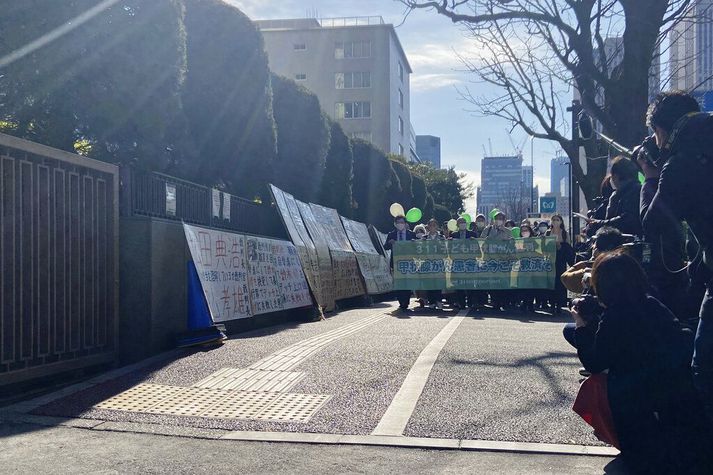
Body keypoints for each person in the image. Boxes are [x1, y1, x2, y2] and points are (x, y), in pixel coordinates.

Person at [572, 251, 711, 473]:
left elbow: (594, 362)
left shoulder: (614, 317)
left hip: (638, 408)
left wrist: (581, 325)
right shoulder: (652, 304)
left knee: (595, 384)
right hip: (676, 399)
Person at [638, 90, 713, 412]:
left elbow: (654, 222)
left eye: (656, 134)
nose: (656, 142)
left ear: (664, 129)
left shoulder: (681, 164)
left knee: (705, 369)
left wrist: (652, 179)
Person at [561, 226, 626, 349]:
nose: (592, 248)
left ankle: (601, 359)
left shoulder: (601, 269)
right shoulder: (628, 264)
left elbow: (566, 278)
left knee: (571, 329)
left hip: (610, 322)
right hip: (631, 326)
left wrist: (588, 272)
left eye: (594, 245)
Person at [587, 156, 643, 237]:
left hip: (627, 243)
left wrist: (598, 223)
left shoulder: (628, 193)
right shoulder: (637, 189)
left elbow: (626, 220)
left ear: (616, 176)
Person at [384, 215, 416, 312]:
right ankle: (401, 301)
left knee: (407, 282)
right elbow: (385, 247)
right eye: (398, 222)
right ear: (395, 224)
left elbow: (418, 247)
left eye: (402, 222)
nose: (400, 224)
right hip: (396, 262)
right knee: (399, 283)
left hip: (408, 262)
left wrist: (414, 243)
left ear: (405, 223)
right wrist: (390, 242)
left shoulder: (411, 234)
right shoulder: (392, 234)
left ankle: (405, 301)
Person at [547, 214, 575, 315]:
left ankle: (559, 304)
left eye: (557, 220)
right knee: (551, 282)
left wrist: (560, 246)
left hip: (560, 260)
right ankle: (552, 304)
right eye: (553, 219)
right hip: (550, 260)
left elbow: (568, 248)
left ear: (561, 222)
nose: (555, 221)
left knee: (560, 282)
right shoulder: (548, 232)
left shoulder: (564, 234)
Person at [424, 219, 444, 309]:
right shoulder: (424, 238)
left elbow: (445, 249)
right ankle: (431, 302)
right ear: (428, 227)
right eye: (430, 225)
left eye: (434, 225)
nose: (432, 227)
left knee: (438, 283)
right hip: (428, 263)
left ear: (437, 226)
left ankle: (439, 301)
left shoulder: (442, 237)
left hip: (438, 263)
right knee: (429, 283)